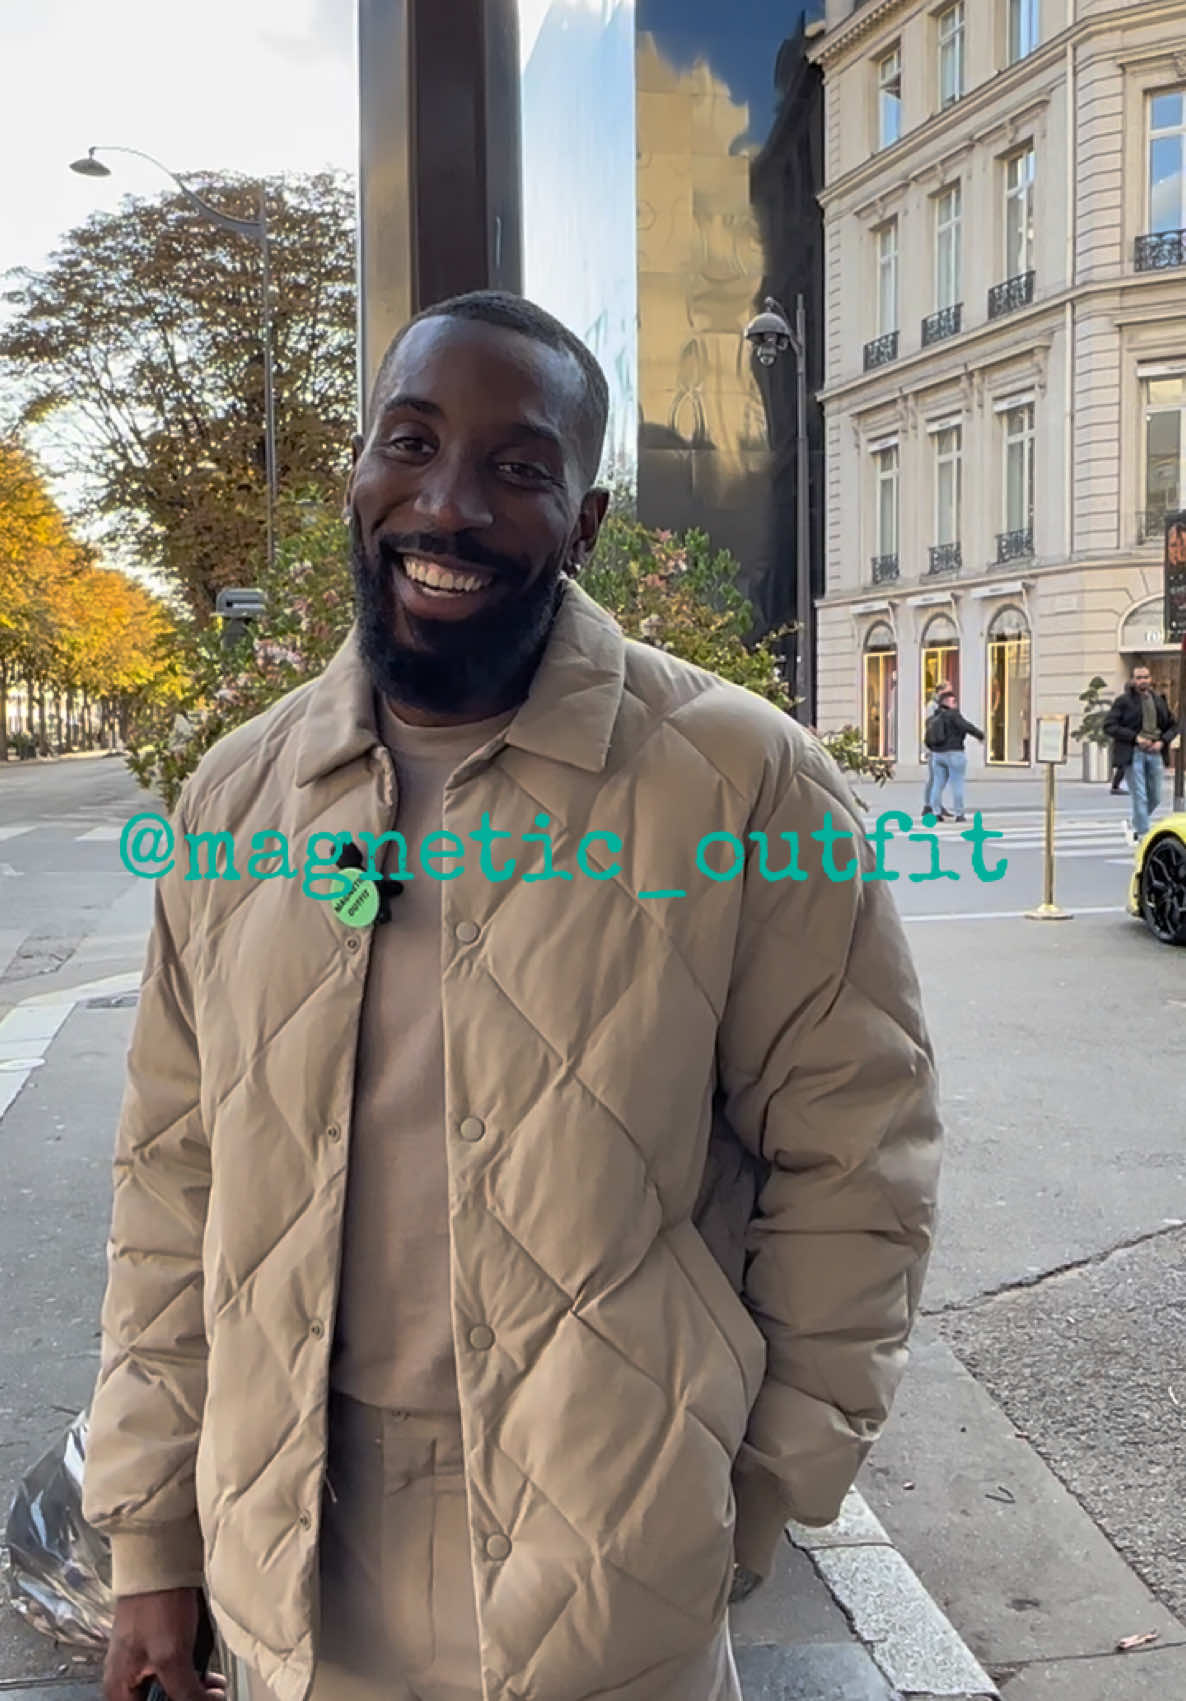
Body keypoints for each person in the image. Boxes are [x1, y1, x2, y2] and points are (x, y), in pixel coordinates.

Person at [82, 292, 942, 1701]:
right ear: (356, 473)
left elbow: (858, 1156)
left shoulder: (739, 780)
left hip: (613, 1564)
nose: (447, 504)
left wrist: (764, 1481)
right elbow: (173, 1186)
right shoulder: (241, 793)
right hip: (295, 1562)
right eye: (408, 445)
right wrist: (150, 1535)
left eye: (515, 467)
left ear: (585, 520)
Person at [1104, 664, 1180, 845]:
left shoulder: (1159, 700)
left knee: (1155, 796)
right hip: (1134, 752)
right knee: (1139, 794)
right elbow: (1109, 726)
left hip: (1155, 752)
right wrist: (1136, 738)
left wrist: (1162, 741)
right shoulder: (1123, 701)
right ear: (1132, 680)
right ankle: (1144, 836)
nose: (1142, 681)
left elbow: (1173, 725)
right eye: (1139, 678)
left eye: (1145, 677)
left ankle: (1135, 822)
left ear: (1150, 679)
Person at [925, 687, 985, 822]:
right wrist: (980, 735)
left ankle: (935, 812)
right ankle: (959, 814)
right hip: (954, 753)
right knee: (957, 784)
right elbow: (966, 726)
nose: (956, 704)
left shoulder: (935, 716)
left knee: (937, 784)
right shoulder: (953, 715)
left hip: (937, 755)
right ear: (947, 702)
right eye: (954, 701)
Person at [922, 680, 950, 817]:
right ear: (941, 691)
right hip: (934, 746)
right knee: (935, 777)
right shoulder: (932, 706)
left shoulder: (943, 705)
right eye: (948, 689)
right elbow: (931, 725)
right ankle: (928, 806)